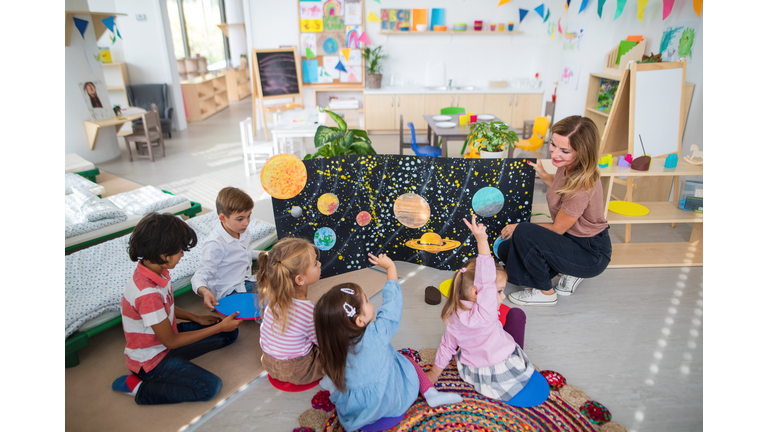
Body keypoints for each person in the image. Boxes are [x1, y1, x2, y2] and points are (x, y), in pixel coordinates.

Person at [314, 253, 463, 431]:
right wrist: (390, 268)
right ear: (360, 321)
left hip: (357, 416)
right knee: (406, 361)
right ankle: (431, 393)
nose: (370, 303)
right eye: (367, 301)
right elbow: (392, 305)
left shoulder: (332, 349)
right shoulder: (378, 333)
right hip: (392, 405)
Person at [112, 212, 242, 405]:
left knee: (229, 333)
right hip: (152, 359)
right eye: (180, 251)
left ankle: (178, 363)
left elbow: (167, 307)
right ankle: (140, 388)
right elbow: (171, 341)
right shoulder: (147, 294)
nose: (183, 254)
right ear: (164, 255)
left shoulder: (156, 270)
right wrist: (217, 328)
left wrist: (196, 318)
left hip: (166, 338)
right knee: (210, 387)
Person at [500, 115, 611, 307]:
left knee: (524, 231)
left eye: (564, 150)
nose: (555, 154)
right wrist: (544, 175)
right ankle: (567, 270)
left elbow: (557, 229)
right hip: (570, 239)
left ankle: (546, 292)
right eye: (553, 145)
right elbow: (562, 191)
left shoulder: (582, 186)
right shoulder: (567, 166)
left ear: (582, 152)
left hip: (589, 251)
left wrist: (518, 227)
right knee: (505, 250)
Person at [426, 215, 534, 401]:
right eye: (499, 291)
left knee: (503, 313)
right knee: (516, 314)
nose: (504, 295)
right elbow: (486, 279)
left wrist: (435, 372)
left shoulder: (452, 314)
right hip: (501, 368)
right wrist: (481, 240)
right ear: (478, 293)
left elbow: (447, 345)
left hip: (474, 370)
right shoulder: (485, 312)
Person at [257, 237, 325, 385]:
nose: (319, 264)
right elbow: (324, 342)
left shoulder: (273, 300)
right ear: (300, 280)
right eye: (315, 263)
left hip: (268, 364)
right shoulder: (309, 311)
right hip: (299, 372)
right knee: (338, 345)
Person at [192, 187, 263, 312]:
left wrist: (263, 254)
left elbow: (244, 253)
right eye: (240, 219)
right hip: (228, 291)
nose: (246, 223)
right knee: (267, 304)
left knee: (281, 283)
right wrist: (204, 291)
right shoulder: (215, 244)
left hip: (245, 281)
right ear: (223, 218)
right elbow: (200, 275)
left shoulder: (243, 232)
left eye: (249, 216)